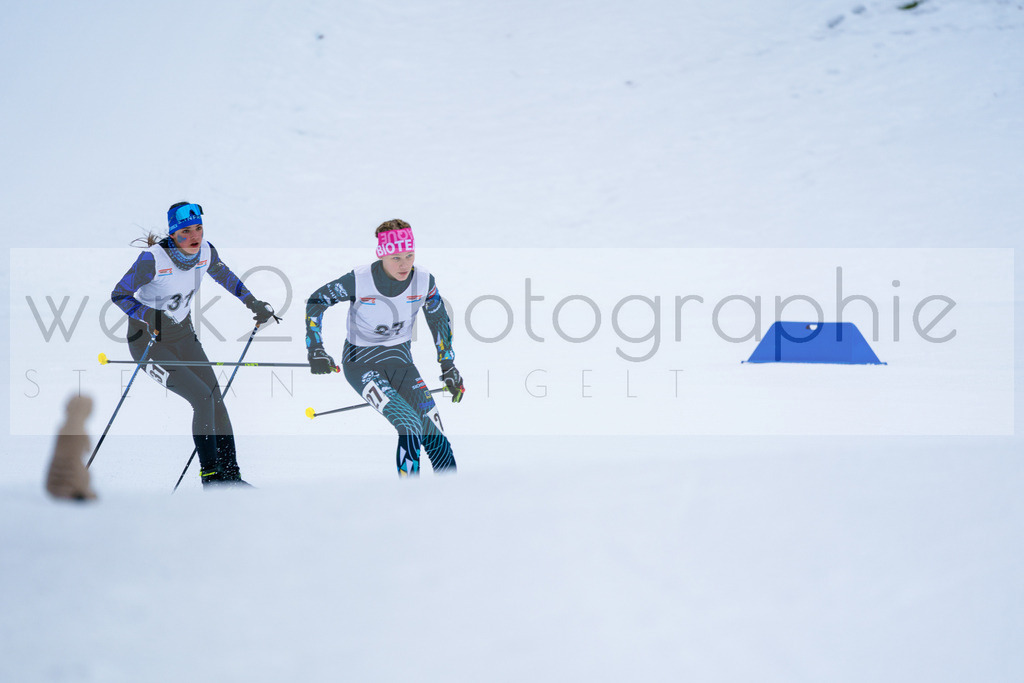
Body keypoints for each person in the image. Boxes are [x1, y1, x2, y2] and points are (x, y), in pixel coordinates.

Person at [111, 202, 278, 487]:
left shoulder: (206, 252)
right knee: (202, 398)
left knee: (216, 400)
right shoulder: (153, 259)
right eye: (186, 231)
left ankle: (231, 476)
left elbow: (226, 276)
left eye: (198, 228)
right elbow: (119, 294)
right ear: (174, 234)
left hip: (183, 336)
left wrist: (254, 304)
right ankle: (211, 477)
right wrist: (149, 315)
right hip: (147, 342)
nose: (194, 236)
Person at [305, 219, 464, 476]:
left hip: (401, 363)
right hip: (361, 364)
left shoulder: (423, 280)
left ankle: (452, 500)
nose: (404, 264)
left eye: (409, 255)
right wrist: (316, 349)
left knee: (434, 436)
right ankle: (407, 500)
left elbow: (438, 319)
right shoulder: (359, 279)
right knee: (409, 424)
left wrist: (448, 366)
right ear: (381, 255)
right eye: (396, 257)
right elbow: (316, 301)